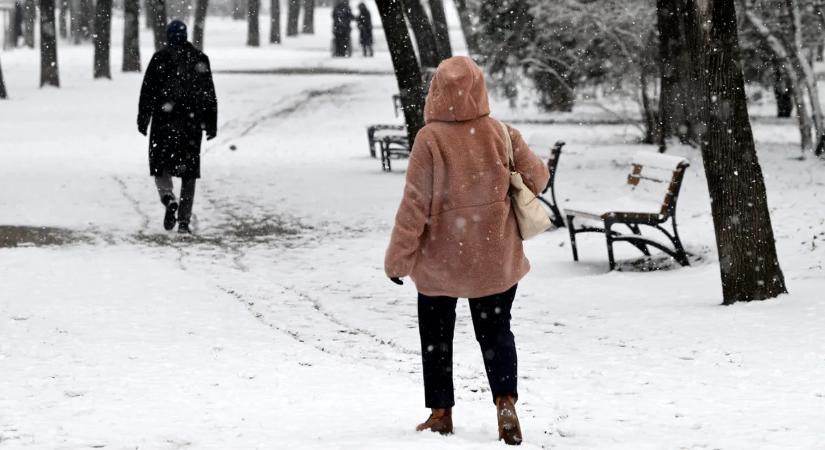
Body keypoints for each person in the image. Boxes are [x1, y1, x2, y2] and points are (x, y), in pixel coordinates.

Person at [384, 56, 549, 446]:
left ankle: (441, 413)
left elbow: (414, 206)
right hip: (494, 256)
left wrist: (399, 258)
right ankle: (505, 400)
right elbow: (537, 179)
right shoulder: (500, 132)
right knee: (495, 332)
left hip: (441, 260)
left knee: (436, 336)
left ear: (437, 91)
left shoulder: (430, 140)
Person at [137, 20, 217, 234]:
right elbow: (209, 94)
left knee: (160, 164)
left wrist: (143, 118)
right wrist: (210, 124)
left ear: (168, 36)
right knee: (188, 173)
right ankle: (183, 221)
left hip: (164, 122)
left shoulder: (160, 59)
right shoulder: (200, 59)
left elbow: (147, 91)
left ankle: (168, 197)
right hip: (191, 124)